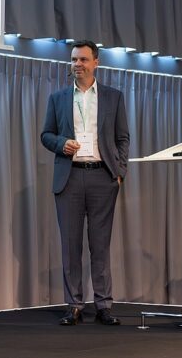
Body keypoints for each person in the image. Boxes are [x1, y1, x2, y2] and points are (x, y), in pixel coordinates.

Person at [40, 40, 130, 326]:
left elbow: (122, 138)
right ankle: (74, 305)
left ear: (96, 63)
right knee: (70, 246)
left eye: (83, 59)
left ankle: (104, 305)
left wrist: (119, 171)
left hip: (102, 176)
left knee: (100, 245)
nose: (77, 64)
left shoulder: (113, 97)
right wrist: (61, 144)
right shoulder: (58, 98)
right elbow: (46, 134)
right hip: (70, 176)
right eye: (73, 60)